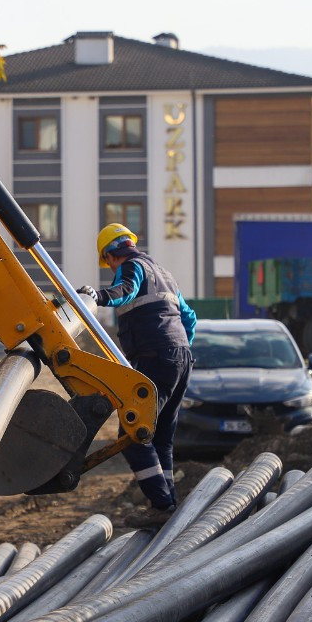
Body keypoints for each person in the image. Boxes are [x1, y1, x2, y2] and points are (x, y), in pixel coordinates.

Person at [78, 223, 196, 527]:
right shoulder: (165, 275)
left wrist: (98, 296)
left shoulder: (131, 267)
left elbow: (125, 289)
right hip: (181, 358)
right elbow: (189, 317)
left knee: (132, 433)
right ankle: (168, 502)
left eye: (108, 263)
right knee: (160, 437)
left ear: (110, 256)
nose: (111, 267)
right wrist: (179, 347)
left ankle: (161, 505)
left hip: (155, 357)